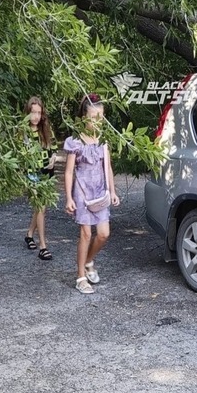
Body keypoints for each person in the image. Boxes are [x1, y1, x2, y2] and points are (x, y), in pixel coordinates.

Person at [63, 93, 120, 293]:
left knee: (104, 234)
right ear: (84, 117)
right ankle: (80, 277)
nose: (98, 121)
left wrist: (112, 191)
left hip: (100, 190)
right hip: (82, 191)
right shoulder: (75, 141)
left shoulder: (104, 140)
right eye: (94, 117)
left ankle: (88, 262)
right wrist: (69, 197)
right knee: (86, 234)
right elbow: (69, 171)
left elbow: (109, 167)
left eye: (101, 117)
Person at [22, 96, 57, 260]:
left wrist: (53, 159)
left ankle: (29, 234)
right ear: (27, 113)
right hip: (32, 174)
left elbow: (54, 148)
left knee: (40, 208)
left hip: (46, 174)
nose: (35, 116)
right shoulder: (22, 132)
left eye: (38, 112)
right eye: (32, 112)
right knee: (41, 207)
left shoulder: (46, 129)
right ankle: (43, 246)